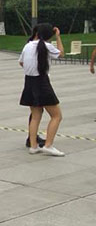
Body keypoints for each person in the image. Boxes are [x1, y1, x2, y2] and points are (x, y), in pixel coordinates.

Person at [20, 23, 65, 156]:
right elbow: (61, 54)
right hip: (42, 82)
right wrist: (58, 37)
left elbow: (21, 62)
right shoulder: (46, 46)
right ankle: (48, 145)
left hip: (29, 82)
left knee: (35, 116)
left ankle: (33, 146)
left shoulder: (27, 46)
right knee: (56, 116)